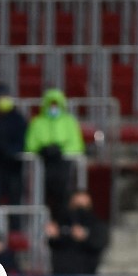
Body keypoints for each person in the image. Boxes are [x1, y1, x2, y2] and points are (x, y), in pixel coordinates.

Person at [24, 88, 85, 221]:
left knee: (63, 199)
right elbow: (30, 145)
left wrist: (60, 149)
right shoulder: (37, 122)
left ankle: (61, 225)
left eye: (56, 104)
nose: (53, 107)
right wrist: (43, 149)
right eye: (51, 104)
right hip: (42, 167)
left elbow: (77, 145)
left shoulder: (69, 122)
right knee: (41, 197)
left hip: (63, 168)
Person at [44, 190, 109, 275]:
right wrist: (54, 237)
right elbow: (53, 244)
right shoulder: (62, 222)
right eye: (76, 205)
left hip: (86, 275)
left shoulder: (96, 225)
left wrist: (84, 238)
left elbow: (99, 243)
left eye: (84, 206)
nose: (80, 210)